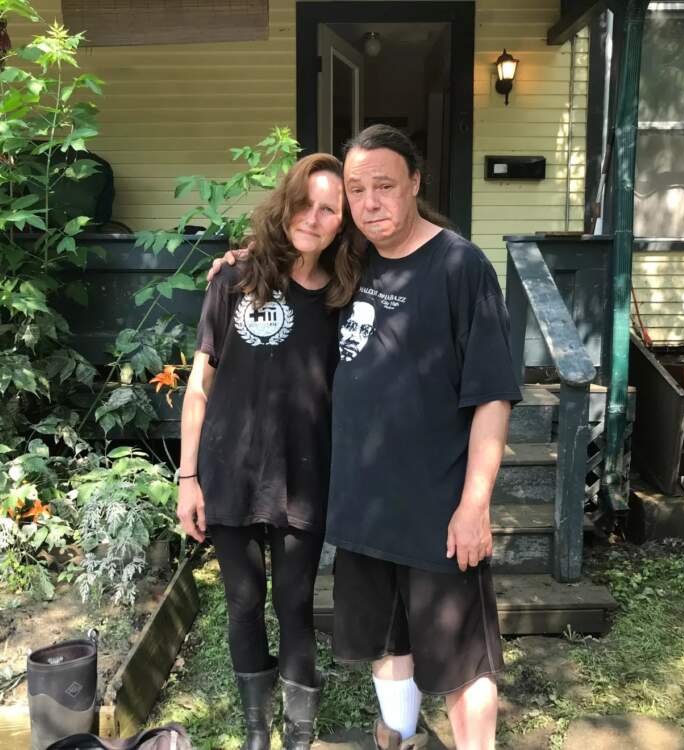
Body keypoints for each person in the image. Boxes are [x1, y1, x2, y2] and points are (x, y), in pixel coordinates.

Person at [211, 125, 522, 750]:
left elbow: (492, 394)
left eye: (384, 185)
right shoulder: (352, 260)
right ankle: (397, 739)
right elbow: (293, 248)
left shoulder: (460, 266)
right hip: (362, 507)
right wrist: (240, 259)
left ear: (415, 183)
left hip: (436, 507)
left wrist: (475, 504)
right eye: (358, 189)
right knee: (387, 643)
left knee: (462, 661)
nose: (370, 201)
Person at [176, 153, 359, 750]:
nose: (314, 216)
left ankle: (299, 736)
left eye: (329, 208)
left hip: (303, 477)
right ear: (287, 206)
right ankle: (258, 732)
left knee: (295, 604)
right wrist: (187, 477)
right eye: (305, 203)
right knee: (243, 602)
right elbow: (199, 386)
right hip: (228, 475)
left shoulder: (344, 297)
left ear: (341, 221)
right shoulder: (234, 280)